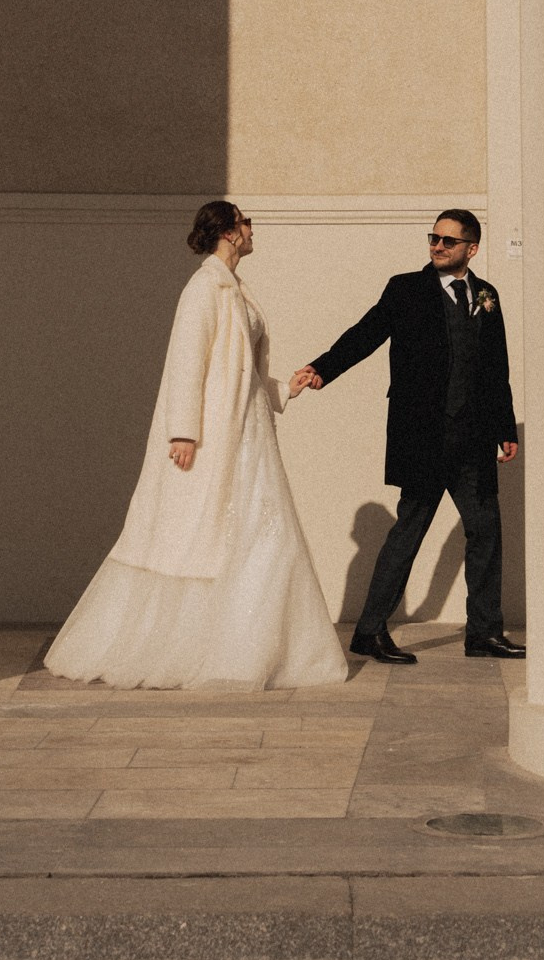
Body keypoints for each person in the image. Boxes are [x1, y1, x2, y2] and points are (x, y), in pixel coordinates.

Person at [45, 201, 346, 690]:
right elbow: (187, 363)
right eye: (245, 223)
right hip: (215, 436)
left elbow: (239, 370)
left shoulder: (236, 291)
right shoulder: (204, 288)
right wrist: (183, 431)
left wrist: (283, 389)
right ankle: (192, 651)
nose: (252, 230)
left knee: (261, 532)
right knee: (198, 533)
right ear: (229, 232)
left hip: (249, 433)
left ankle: (258, 650)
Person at [289, 208, 524, 664]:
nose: (436, 246)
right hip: (424, 438)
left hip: (473, 441)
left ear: (470, 249)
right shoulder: (406, 289)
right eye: (433, 238)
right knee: (410, 531)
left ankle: (484, 632)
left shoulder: (486, 295)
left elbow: (497, 368)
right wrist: (322, 369)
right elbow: (366, 333)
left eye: (447, 241)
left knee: (486, 531)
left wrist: (503, 425)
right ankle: (369, 631)